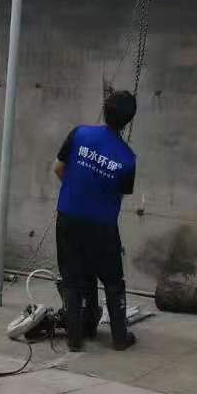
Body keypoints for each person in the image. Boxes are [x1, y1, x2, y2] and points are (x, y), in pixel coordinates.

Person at [52, 90, 139, 352]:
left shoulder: (79, 134)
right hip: (102, 226)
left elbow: (58, 168)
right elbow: (119, 194)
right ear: (128, 121)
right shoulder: (127, 158)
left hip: (68, 217)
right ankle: (120, 338)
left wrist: (76, 191)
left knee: (72, 278)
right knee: (113, 282)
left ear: (104, 109)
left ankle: (75, 338)